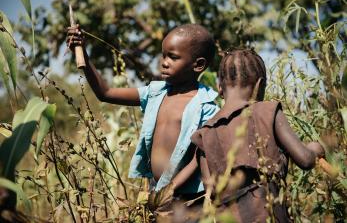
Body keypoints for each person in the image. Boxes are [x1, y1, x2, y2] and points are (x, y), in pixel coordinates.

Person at [171, 48, 325, 222]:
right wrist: (314, 148)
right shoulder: (268, 111)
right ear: (261, 84)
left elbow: (211, 190)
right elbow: (305, 160)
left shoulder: (204, 133)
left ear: (220, 88)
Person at [66, 24, 220, 197]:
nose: (164, 62)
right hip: (155, 191)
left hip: (187, 197)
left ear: (198, 65)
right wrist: (82, 53)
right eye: (163, 56)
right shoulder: (155, 93)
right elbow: (106, 93)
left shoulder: (207, 108)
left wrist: (169, 190)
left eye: (173, 57)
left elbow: (200, 159)